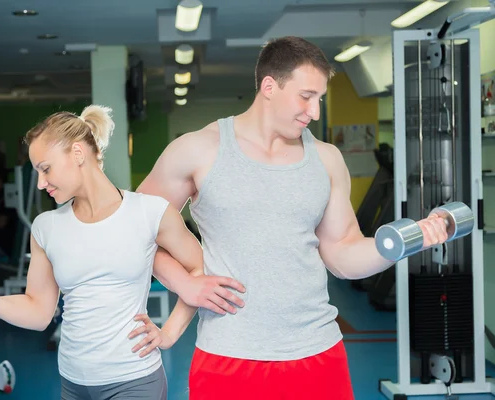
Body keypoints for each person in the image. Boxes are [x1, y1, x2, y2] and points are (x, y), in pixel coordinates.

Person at [133, 36, 450, 399]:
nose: (314, 111)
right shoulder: (198, 149)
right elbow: (134, 229)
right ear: (269, 86)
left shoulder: (327, 159)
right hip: (229, 355)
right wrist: (184, 283)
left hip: (318, 352)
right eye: (306, 96)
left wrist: (407, 240)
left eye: (320, 99)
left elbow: (343, 254)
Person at [0, 104, 245, 400]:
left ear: (78, 153)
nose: (41, 183)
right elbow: (38, 312)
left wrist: (169, 334)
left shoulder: (149, 212)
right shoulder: (46, 227)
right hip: (73, 381)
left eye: (45, 169)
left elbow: (199, 268)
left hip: (134, 379)